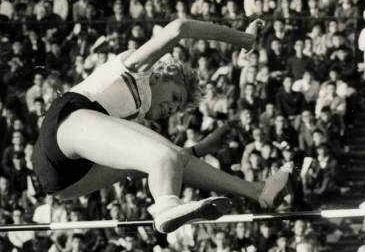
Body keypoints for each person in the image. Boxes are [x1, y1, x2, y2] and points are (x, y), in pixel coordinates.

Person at [32, 19, 294, 234]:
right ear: (163, 75)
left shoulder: (132, 117)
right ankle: (167, 206)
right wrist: (243, 39)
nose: (172, 109)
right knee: (164, 155)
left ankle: (258, 191)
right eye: (175, 98)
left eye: (177, 109)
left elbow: (149, 168)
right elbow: (179, 28)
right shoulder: (137, 69)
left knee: (171, 158)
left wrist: (200, 149)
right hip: (65, 127)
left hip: (68, 183)